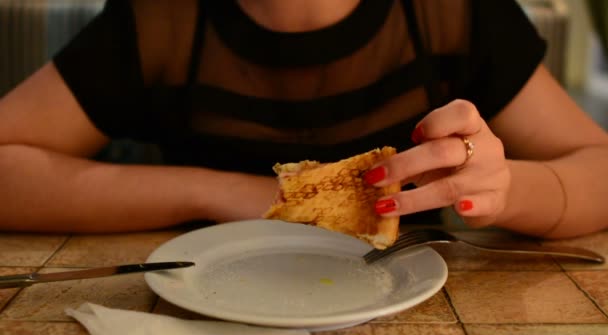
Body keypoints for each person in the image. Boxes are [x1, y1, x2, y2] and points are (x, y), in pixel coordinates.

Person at [0, 0, 606, 239]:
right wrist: (214, 191)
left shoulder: (452, 13)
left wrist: (503, 191)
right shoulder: (161, 20)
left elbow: (599, 168)